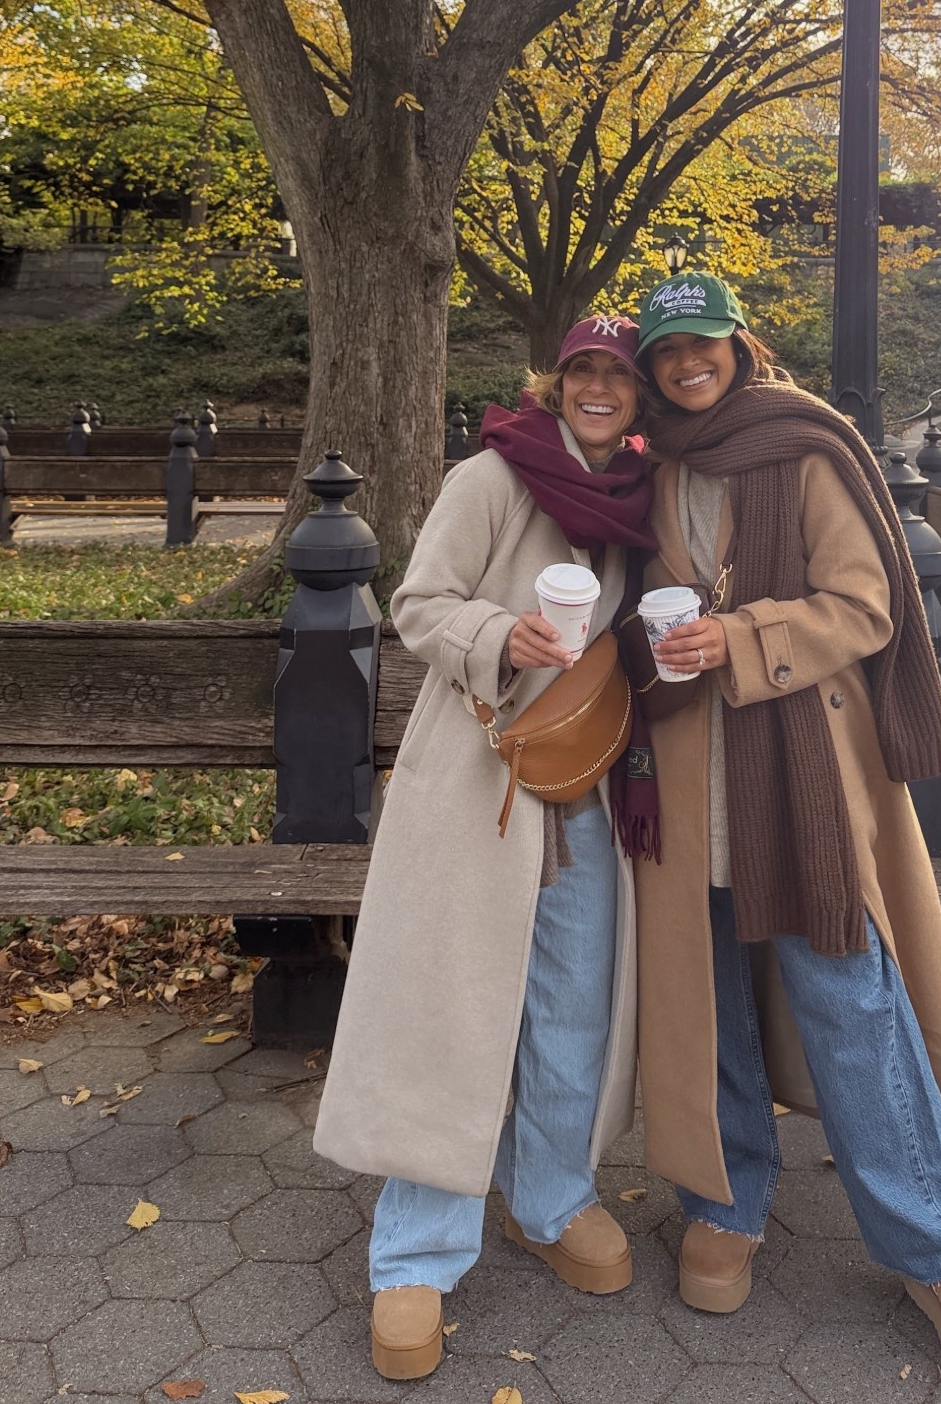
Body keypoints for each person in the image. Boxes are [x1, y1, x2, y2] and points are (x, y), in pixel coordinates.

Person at [626, 270, 941, 1394]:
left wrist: (740, 635)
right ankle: (726, 1195)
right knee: (706, 1002)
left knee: (850, 997)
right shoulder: (651, 466)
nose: (688, 363)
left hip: (799, 772)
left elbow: (867, 601)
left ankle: (940, 1247)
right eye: (669, 351)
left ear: (738, 346)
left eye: (704, 342)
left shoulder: (806, 446)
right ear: (653, 366)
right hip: (682, 773)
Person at [315, 316, 655, 1382]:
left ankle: (551, 1197)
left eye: (619, 375)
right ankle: (417, 1246)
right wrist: (498, 634)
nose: (599, 389)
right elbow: (417, 604)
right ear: (557, 382)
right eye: (583, 371)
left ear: (641, 394)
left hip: (592, 781)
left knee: (570, 1000)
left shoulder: (647, 495)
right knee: (452, 1004)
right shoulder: (494, 475)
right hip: (479, 780)